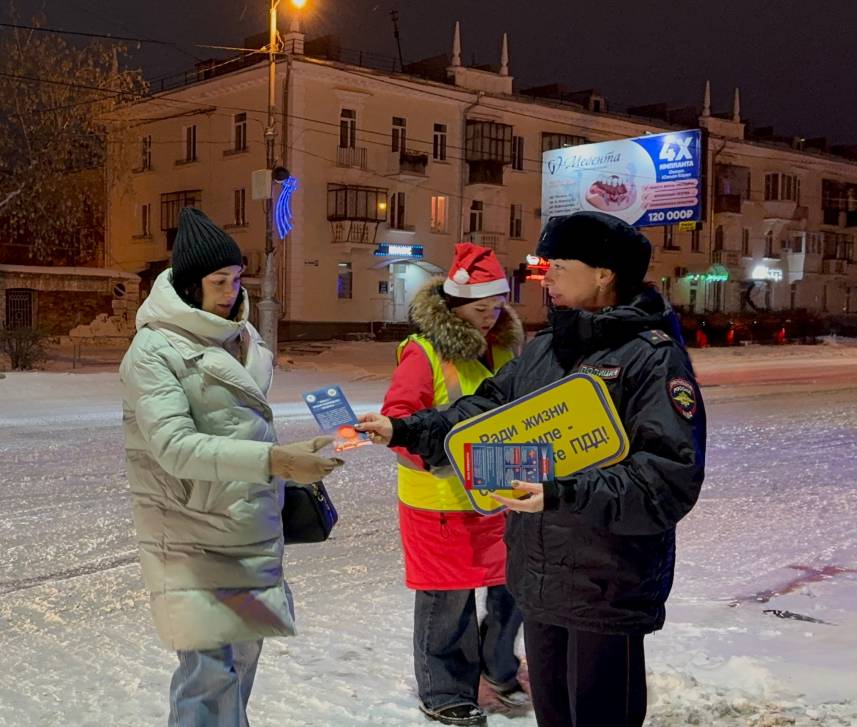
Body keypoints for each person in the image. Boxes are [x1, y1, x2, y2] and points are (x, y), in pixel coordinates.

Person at [357, 211, 707, 727]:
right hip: (539, 579)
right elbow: (483, 412)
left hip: (605, 582)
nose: (547, 278)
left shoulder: (651, 359)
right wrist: (407, 430)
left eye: (560, 266)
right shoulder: (546, 348)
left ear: (604, 274)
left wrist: (562, 492)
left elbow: (667, 479)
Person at [119, 207, 343, 726]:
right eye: (219, 281)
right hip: (190, 535)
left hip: (246, 528)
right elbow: (174, 446)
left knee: (242, 661)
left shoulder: (239, 338)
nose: (230, 290)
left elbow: (236, 430)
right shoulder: (153, 350)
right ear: (190, 285)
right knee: (208, 671)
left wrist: (293, 453)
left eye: (236, 278)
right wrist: (273, 460)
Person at [382, 243, 529, 726]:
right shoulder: (424, 352)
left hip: (502, 496)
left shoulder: (507, 348)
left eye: (496, 307)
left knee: (514, 591)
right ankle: (445, 689)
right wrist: (438, 458)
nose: (489, 317)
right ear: (453, 306)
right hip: (441, 502)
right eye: (478, 308)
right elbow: (397, 422)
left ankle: (499, 670)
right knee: (448, 603)